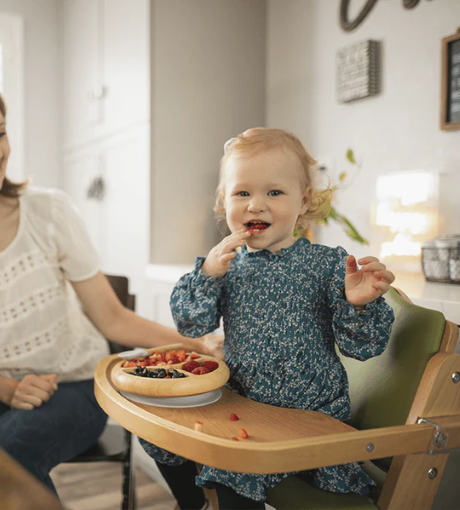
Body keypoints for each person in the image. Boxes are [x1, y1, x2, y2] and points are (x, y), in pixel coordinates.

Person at [0, 70, 223, 496]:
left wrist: (193, 345)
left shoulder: (48, 212)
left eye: (0, 133)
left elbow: (111, 318)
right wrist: (8, 388)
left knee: (2, 460)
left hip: (75, 384)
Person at [140, 127, 396, 510]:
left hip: (311, 415)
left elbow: (364, 346)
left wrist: (358, 303)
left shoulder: (326, 265)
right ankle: (196, 503)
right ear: (224, 201)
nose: (255, 205)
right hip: (244, 406)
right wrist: (207, 275)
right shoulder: (226, 268)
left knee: (233, 475)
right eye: (242, 192)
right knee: (157, 435)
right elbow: (191, 324)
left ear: (304, 200)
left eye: (274, 192)